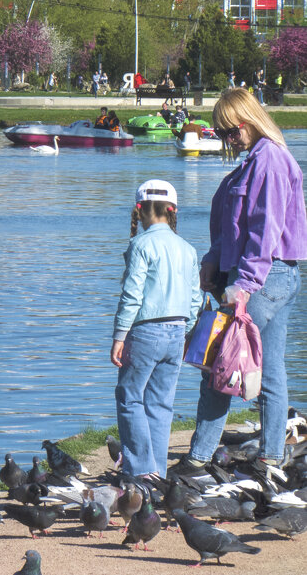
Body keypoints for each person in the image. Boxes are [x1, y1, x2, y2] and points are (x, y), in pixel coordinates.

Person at [172, 88, 307, 482]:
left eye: (231, 130)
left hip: (263, 278)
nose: (227, 138)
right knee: (272, 368)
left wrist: (244, 284)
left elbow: (266, 230)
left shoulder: (269, 161)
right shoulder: (253, 163)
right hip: (271, 275)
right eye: (221, 132)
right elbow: (236, 230)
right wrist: (214, 262)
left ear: (248, 120)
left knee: (222, 362)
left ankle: (197, 459)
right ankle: (270, 458)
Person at [112, 180, 203, 478]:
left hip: (145, 332)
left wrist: (119, 335)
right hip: (177, 332)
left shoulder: (140, 244)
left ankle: (140, 472)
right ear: (172, 210)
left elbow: (132, 295)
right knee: (161, 404)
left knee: (129, 397)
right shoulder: (188, 249)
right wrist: (186, 330)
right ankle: (157, 473)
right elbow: (195, 300)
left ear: (139, 209)